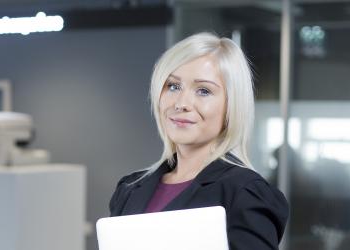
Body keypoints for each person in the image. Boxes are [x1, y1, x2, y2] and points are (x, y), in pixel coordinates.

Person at [108, 33, 289, 249]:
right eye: (173, 86)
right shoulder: (129, 189)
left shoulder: (246, 193)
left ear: (231, 106)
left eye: (203, 91)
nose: (182, 103)